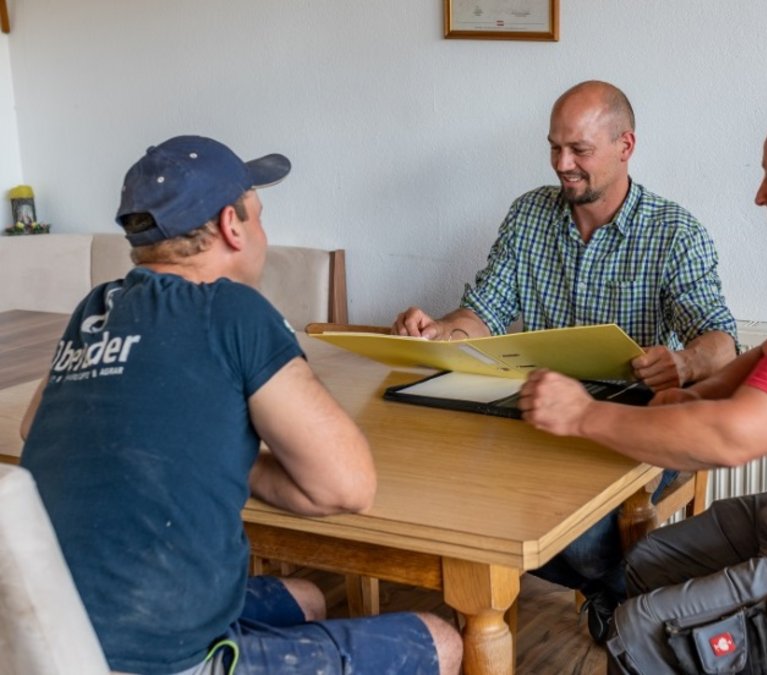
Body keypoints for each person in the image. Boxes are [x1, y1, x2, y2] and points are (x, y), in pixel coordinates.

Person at [19, 136, 462, 675]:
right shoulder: (230, 310)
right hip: (159, 662)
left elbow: (30, 425)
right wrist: (240, 455)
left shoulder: (95, 308)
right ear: (232, 225)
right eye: (258, 216)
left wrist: (212, 447)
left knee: (305, 597)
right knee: (441, 638)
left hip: (44, 637)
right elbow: (349, 487)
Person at [519, 98, 767, 674]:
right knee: (643, 564)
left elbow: (732, 439)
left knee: (636, 632)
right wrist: (697, 395)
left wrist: (580, 416)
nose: (760, 194)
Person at [393, 80, 738, 640]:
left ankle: (612, 588)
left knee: (582, 539)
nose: (562, 163)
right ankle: (609, 589)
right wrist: (437, 332)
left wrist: (684, 362)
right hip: (542, 412)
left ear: (625, 146)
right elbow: (483, 312)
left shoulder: (675, 232)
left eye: (579, 150)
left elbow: (720, 339)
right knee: (452, 497)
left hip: (636, 423)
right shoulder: (529, 214)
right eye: (555, 147)